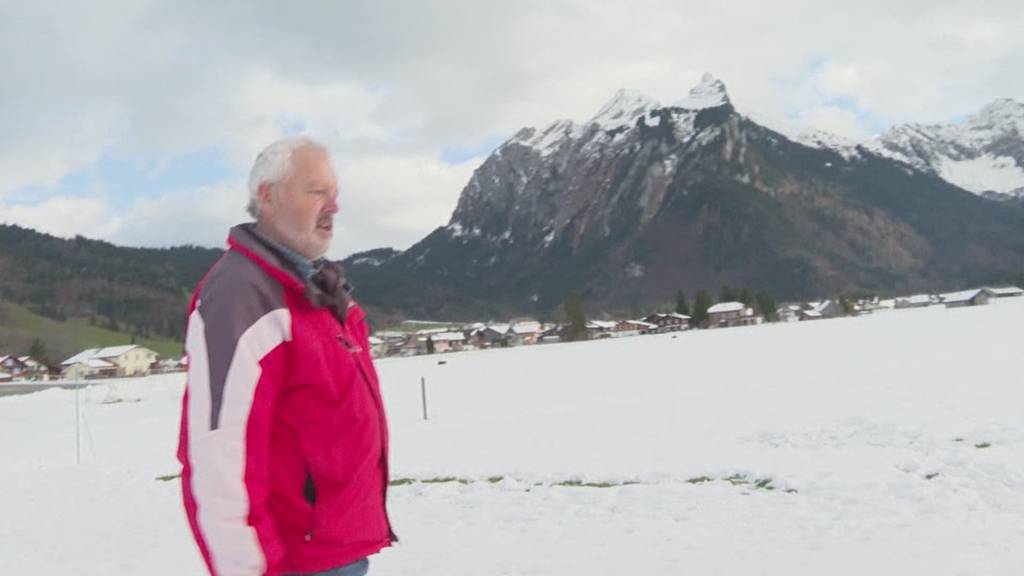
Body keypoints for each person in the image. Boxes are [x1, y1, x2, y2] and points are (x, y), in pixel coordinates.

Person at [177, 136, 395, 576]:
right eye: (317, 192)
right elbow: (219, 454)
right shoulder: (244, 294)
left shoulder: (317, 291)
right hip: (296, 560)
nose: (334, 207)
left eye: (335, 194)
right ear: (268, 196)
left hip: (339, 547)